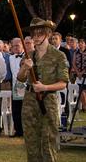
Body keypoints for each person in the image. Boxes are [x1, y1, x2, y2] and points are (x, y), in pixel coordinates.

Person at [17, 18, 68, 162]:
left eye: (40, 33)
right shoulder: (28, 55)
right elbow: (20, 78)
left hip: (48, 101)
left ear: (48, 34)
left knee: (47, 142)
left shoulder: (59, 56)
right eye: (34, 34)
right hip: (29, 102)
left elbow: (63, 83)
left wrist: (45, 87)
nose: (36, 37)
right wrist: (25, 67)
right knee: (31, 143)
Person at [9, 38, 26, 137]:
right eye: (14, 46)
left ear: (22, 46)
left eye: (17, 45)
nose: (15, 47)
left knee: (25, 110)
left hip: (25, 86)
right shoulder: (11, 58)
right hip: (15, 87)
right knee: (15, 109)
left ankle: (26, 130)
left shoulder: (27, 57)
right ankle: (18, 131)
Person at [72, 38, 86, 113]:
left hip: (85, 74)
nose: (80, 44)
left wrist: (82, 72)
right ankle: (84, 106)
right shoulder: (76, 52)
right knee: (81, 91)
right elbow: (73, 63)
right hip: (78, 75)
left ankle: (84, 106)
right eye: (79, 43)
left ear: (85, 44)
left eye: (82, 43)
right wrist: (78, 72)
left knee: (84, 92)